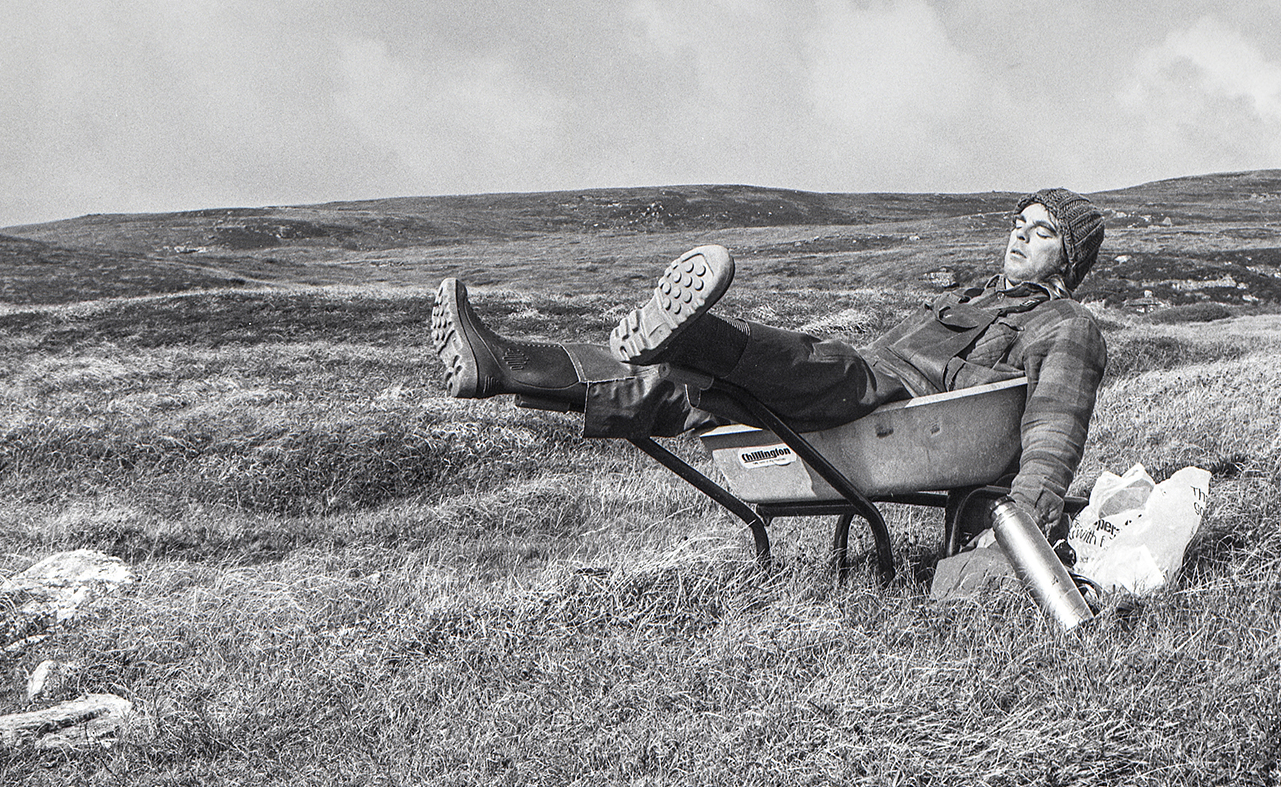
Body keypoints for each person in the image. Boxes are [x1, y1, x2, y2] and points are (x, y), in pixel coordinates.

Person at [431, 188, 1108, 537]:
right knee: (678, 390)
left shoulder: (1066, 324)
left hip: (906, 410)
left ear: (1069, 258)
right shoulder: (969, 296)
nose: (1021, 235)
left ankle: (694, 336)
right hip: (872, 398)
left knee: (823, 365)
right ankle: (506, 365)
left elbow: (1056, 429)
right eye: (1018, 223)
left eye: (1042, 231)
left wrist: (1026, 522)